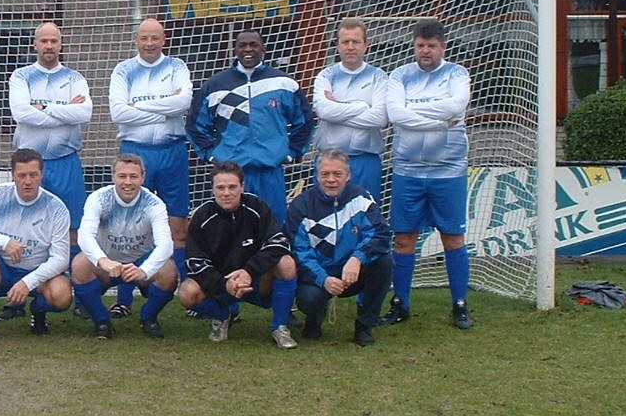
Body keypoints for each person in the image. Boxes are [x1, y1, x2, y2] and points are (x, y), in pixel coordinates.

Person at [384, 18, 474, 330]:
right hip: (407, 170)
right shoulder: (400, 75)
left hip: (448, 171)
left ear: (442, 47)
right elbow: (394, 114)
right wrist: (438, 122)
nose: (425, 51)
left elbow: (457, 106)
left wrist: (412, 113)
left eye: (431, 46)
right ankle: (400, 303)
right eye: (420, 45)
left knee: (453, 237)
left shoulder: (457, 73)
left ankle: (459, 304)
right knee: (404, 238)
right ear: (414, 45)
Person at [3, 20, 91, 321]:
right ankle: (17, 298)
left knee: (74, 230)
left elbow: (85, 113)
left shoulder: (75, 77)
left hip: (66, 162)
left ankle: (78, 294)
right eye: (44, 41)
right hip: (30, 164)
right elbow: (20, 113)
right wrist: (65, 110)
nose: (49, 46)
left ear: (61, 44)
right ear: (35, 44)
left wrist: (42, 109)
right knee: (23, 226)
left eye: (54, 41)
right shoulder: (21, 76)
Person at [107, 18, 193, 316]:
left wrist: (138, 108)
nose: (149, 43)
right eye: (144, 38)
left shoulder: (177, 66)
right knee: (127, 225)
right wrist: (164, 109)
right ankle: (124, 299)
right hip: (135, 152)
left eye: (155, 38)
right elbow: (118, 112)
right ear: (136, 39)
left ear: (164, 39)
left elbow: (183, 104)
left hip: (172, 151)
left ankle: (186, 293)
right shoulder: (124, 70)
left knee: (178, 226)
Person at [187, 29, 313, 224]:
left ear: (263, 48)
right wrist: (211, 155)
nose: (248, 49)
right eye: (242, 45)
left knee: (272, 228)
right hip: (231, 177)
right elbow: (195, 125)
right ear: (235, 50)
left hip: (270, 173)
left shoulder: (284, 83)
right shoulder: (215, 85)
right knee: (231, 230)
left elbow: (304, 121)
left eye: (253, 45)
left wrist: (292, 152)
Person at [178, 161, 299, 348]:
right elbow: (195, 263)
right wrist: (225, 284)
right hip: (221, 287)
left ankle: (280, 327)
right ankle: (222, 316)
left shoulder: (257, 207)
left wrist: (248, 271)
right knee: (186, 293)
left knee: (286, 263)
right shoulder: (201, 217)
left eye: (232, 187)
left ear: (242, 186)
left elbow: (279, 243)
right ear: (212, 189)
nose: (226, 193)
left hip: (256, 281)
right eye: (220, 188)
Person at [0, 149, 72, 342]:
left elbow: (61, 259)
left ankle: (38, 311)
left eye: (33, 175)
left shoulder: (57, 208)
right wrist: (4, 243)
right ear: (13, 175)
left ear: (42, 174)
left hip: (38, 273)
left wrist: (27, 283)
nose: (28, 181)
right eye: (22, 175)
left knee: (61, 295)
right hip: (2, 270)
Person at [285, 148, 391, 348]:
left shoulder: (361, 198)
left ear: (348, 175)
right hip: (319, 275)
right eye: (325, 174)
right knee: (309, 299)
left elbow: (380, 234)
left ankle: (364, 325)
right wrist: (323, 279)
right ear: (317, 176)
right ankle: (315, 316)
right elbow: (298, 253)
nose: (331, 180)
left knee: (385, 263)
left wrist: (358, 258)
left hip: (352, 272)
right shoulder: (300, 206)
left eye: (337, 174)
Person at [71, 153, 178, 339]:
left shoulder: (154, 204)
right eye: (122, 176)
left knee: (169, 271)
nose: (127, 182)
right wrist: (102, 261)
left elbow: (166, 245)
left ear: (143, 177)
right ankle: (102, 321)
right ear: (113, 176)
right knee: (80, 264)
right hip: (108, 263)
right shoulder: (99, 198)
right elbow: (85, 235)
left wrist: (144, 270)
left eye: (133, 176)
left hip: (139, 262)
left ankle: (148, 318)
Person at [311, 17, 388, 202]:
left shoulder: (379, 77)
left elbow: (380, 118)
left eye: (356, 41)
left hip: (365, 160)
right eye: (345, 42)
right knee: (326, 214)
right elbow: (324, 111)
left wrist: (337, 108)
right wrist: (362, 106)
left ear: (365, 45)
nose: (350, 47)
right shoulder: (326, 75)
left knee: (365, 214)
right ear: (338, 45)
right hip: (329, 161)